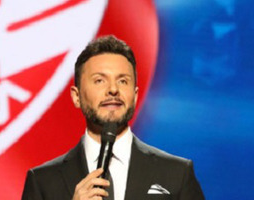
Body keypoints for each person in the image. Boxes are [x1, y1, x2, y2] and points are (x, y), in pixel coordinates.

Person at [21, 35, 205, 200]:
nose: (113, 89)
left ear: (135, 95)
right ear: (76, 96)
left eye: (122, 81)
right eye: (99, 80)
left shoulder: (177, 174)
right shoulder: (43, 182)